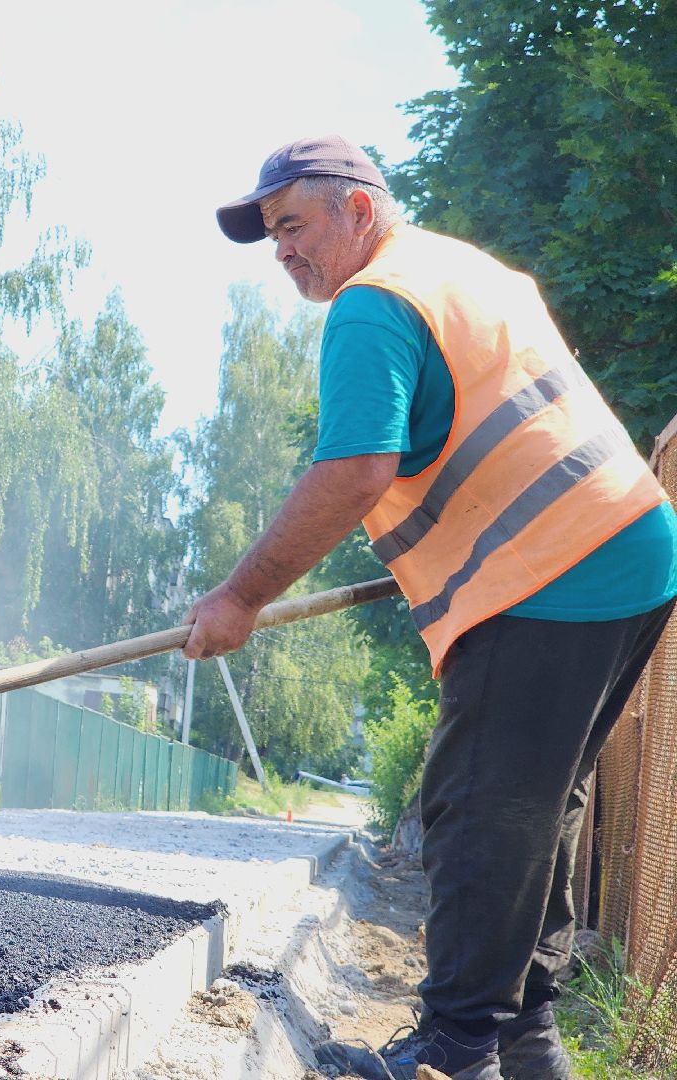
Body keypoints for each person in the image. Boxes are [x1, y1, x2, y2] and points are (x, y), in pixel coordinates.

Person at [185, 135, 677, 1080]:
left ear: (357, 210)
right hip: (629, 549)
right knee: (537, 809)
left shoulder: (373, 302)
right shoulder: (460, 268)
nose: (281, 251)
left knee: (479, 807)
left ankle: (455, 1046)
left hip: (550, 571)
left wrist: (240, 596)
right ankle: (524, 1039)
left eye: (293, 225)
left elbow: (355, 471)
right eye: (271, 236)